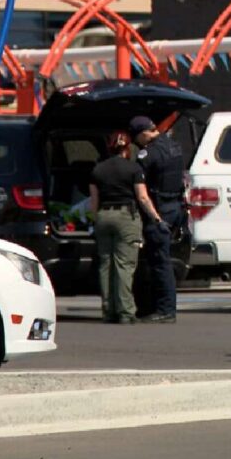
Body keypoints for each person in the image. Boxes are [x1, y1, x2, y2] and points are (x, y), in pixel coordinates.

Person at [89, 131, 162, 324]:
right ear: (127, 148)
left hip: (104, 215)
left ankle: (108, 310)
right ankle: (125, 312)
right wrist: (155, 217)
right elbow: (143, 197)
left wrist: (96, 220)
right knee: (124, 265)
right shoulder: (133, 169)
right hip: (125, 216)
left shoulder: (98, 170)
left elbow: (93, 202)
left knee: (106, 264)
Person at [129, 115, 186, 324]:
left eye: (137, 137)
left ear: (144, 133)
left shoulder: (148, 155)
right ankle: (163, 306)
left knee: (160, 262)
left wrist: (155, 218)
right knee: (165, 259)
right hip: (176, 207)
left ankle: (165, 309)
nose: (137, 143)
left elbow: (142, 194)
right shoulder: (174, 147)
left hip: (160, 209)